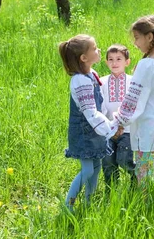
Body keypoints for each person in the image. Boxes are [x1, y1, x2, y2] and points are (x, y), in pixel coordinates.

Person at [112, 15, 154, 196]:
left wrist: (119, 122)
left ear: (149, 37)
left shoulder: (146, 64)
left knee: (143, 171)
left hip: (148, 125)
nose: (135, 43)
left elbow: (133, 100)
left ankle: (145, 207)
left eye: (137, 38)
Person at [58, 34, 123, 210]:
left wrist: (109, 122)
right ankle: (68, 205)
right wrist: (110, 127)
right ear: (84, 58)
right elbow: (90, 112)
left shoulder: (92, 75)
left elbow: (99, 105)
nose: (99, 50)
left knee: (96, 166)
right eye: (94, 48)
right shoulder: (80, 81)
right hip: (84, 133)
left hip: (95, 131)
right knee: (87, 170)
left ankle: (88, 202)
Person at [100, 44, 136, 187]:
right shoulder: (101, 82)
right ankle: (112, 191)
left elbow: (134, 105)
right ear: (106, 62)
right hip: (107, 130)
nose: (114, 63)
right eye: (110, 59)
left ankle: (136, 182)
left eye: (119, 59)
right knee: (108, 161)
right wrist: (110, 127)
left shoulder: (133, 81)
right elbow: (100, 106)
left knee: (124, 160)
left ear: (127, 62)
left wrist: (121, 124)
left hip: (127, 130)